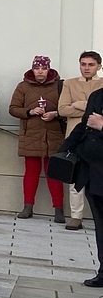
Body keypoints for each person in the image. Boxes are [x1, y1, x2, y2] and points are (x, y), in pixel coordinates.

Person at [11, 55, 67, 222]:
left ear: (49, 69)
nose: (40, 71)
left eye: (43, 68)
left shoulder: (61, 86)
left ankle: (59, 210)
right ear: (32, 69)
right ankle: (28, 207)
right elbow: (13, 108)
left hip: (54, 136)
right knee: (31, 173)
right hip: (31, 136)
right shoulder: (23, 86)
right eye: (37, 68)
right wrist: (30, 111)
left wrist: (55, 114)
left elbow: (67, 108)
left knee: (54, 174)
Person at [59, 85, 103, 286]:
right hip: (92, 172)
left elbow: (96, 124)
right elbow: (84, 126)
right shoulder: (97, 95)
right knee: (100, 226)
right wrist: (62, 152)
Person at [58, 52, 103, 230]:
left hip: (98, 141)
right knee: (75, 176)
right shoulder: (70, 83)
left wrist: (77, 104)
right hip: (77, 135)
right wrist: (85, 107)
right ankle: (75, 216)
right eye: (83, 64)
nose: (86, 68)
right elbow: (62, 109)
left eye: (91, 64)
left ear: (99, 66)